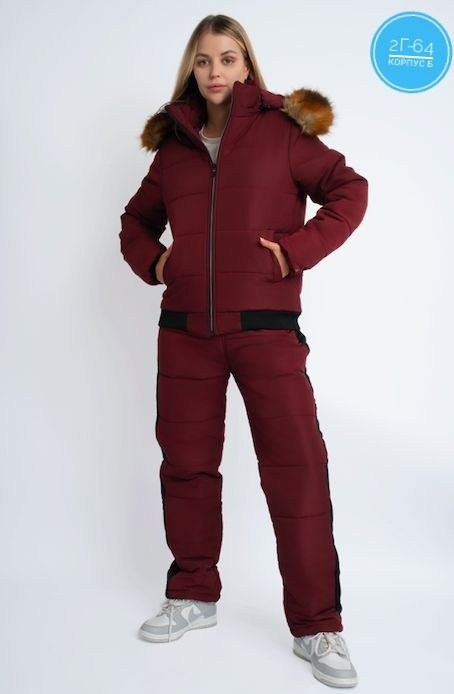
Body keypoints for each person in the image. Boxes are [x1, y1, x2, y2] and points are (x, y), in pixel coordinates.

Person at [119, 13, 367, 689]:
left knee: (298, 469)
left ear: (247, 65)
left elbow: (350, 190)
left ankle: (317, 625)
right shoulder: (173, 146)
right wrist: (158, 263)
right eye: (204, 60)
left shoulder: (284, 130)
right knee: (187, 467)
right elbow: (136, 221)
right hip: (185, 334)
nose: (216, 71)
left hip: (267, 329)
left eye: (228, 58)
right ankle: (192, 593)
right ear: (191, 68)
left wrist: (296, 251)